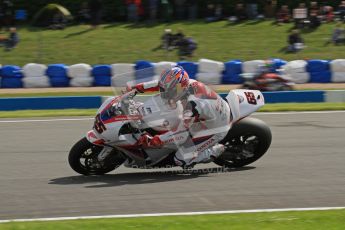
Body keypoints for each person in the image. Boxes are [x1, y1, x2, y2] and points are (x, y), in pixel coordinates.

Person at [127, 66, 231, 168]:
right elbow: (160, 84)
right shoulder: (183, 85)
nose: (164, 94)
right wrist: (136, 88)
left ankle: (213, 151)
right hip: (208, 114)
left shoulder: (192, 105)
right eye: (164, 90)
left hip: (216, 126)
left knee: (181, 158)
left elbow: (182, 132)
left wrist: (159, 139)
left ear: (179, 89)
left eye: (168, 91)